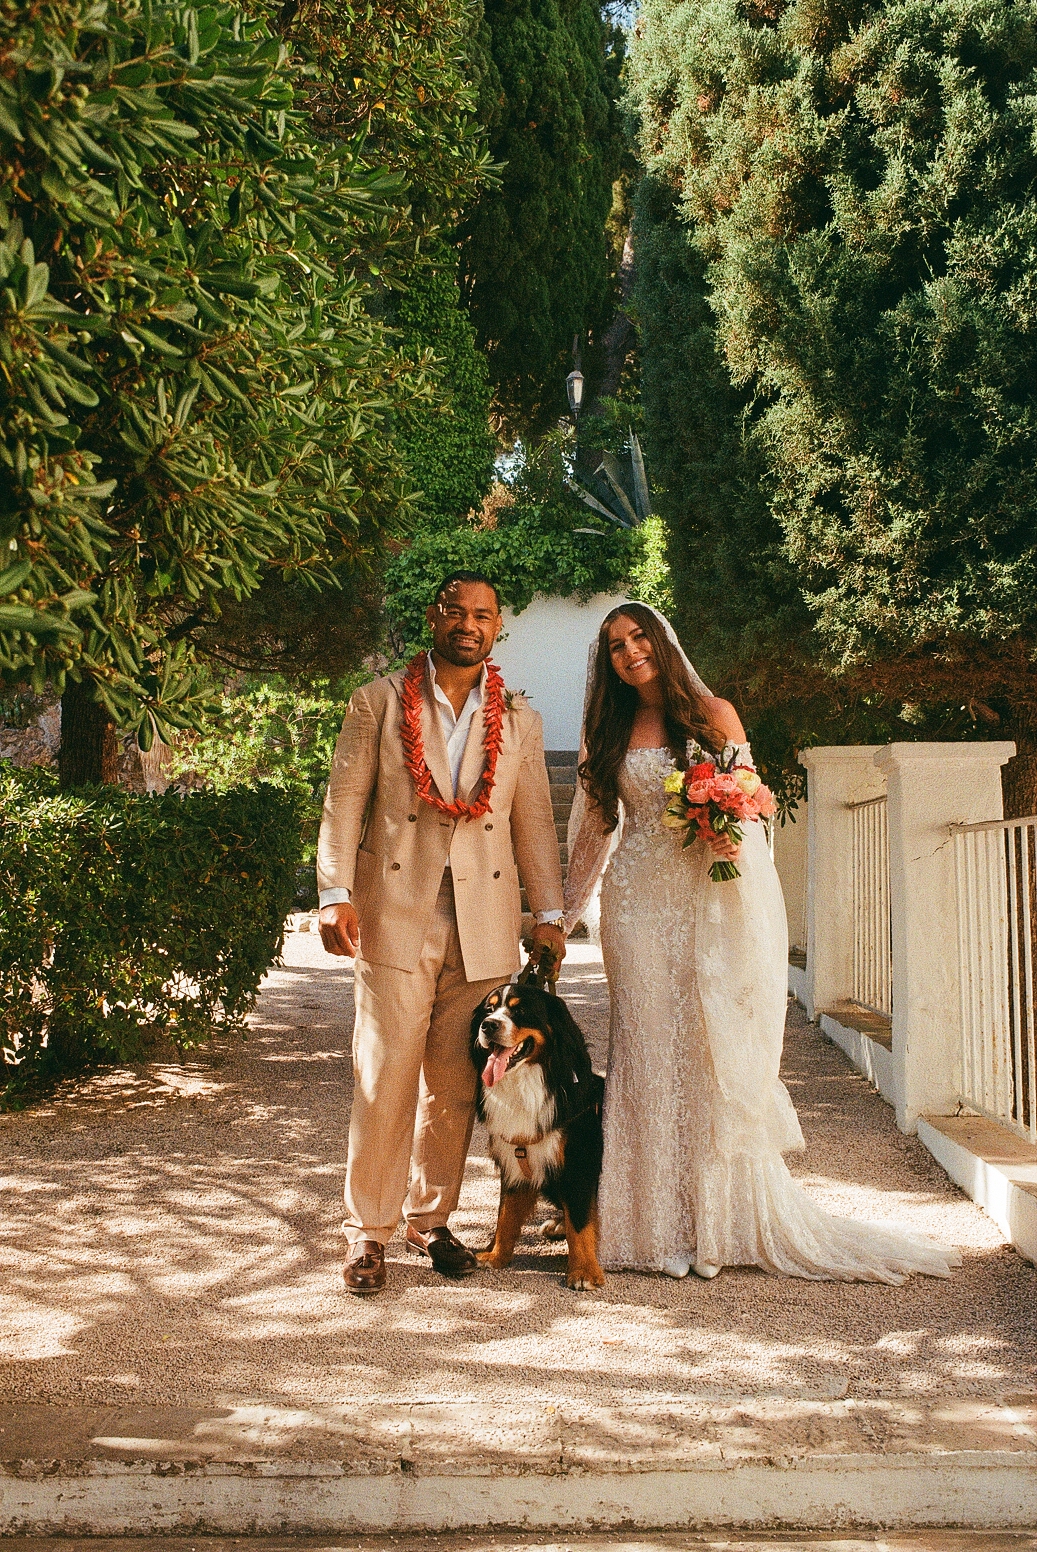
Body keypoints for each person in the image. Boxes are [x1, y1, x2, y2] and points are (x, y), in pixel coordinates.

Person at [563, 602, 960, 1284]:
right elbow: (596, 826)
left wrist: (725, 835)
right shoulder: (607, 728)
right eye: (614, 646)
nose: (629, 652)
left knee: (707, 1046)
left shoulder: (713, 714)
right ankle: (646, 1226)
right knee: (643, 1050)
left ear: (661, 640)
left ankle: (720, 1224)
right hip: (632, 905)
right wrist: (561, 913)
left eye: (637, 638)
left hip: (701, 900)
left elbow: (747, 804)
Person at [317, 572, 566, 1295]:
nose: (468, 623)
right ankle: (368, 1231)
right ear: (433, 618)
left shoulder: (517, 718)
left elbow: (533, 826)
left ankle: (430, 1221)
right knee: (383, 1076)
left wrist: (546, 914)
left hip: (484, 924)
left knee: (457, 1088)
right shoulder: (377, 702)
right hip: (395, 913)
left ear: (497, 628)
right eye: (455, 611)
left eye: (482, 615)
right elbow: (343, 804)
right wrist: (335, 893)